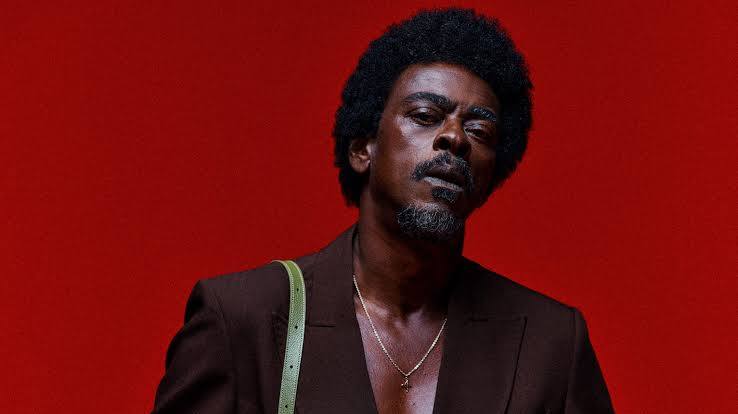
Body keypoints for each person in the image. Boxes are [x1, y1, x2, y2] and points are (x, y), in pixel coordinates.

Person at [152, 8, 614, 414]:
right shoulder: (242, 319)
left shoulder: (551, 344)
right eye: (425, 116)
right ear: (362, 149)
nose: (455, 138)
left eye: (480, 131)